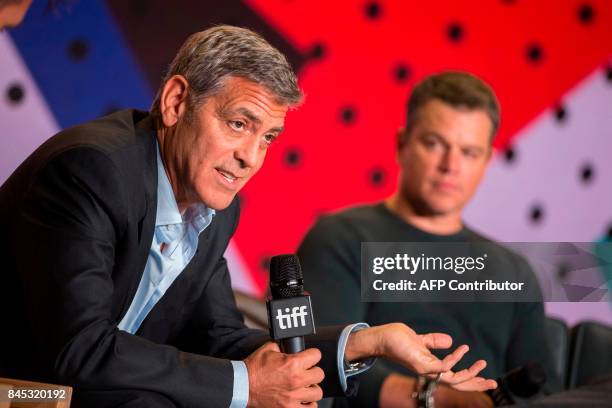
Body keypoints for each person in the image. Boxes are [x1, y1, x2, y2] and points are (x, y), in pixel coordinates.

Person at [0, 28, 496, 408]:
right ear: (176, 102)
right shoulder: (92, 170)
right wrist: (248, 386)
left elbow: (222, 339)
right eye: (239, 124)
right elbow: (79, 351)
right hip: (21, 392)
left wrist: (366, 342)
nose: (250, 158)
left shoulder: (215, 204)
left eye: (267, 138)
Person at [298, 71, 558, 407]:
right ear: (402, 144)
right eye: (434, 144)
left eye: (469, 152)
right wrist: (436, 399)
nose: (450, 165)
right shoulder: (340, 239)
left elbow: (543, 394)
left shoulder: (515, 273)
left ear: (487, 162)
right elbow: (318, 363)